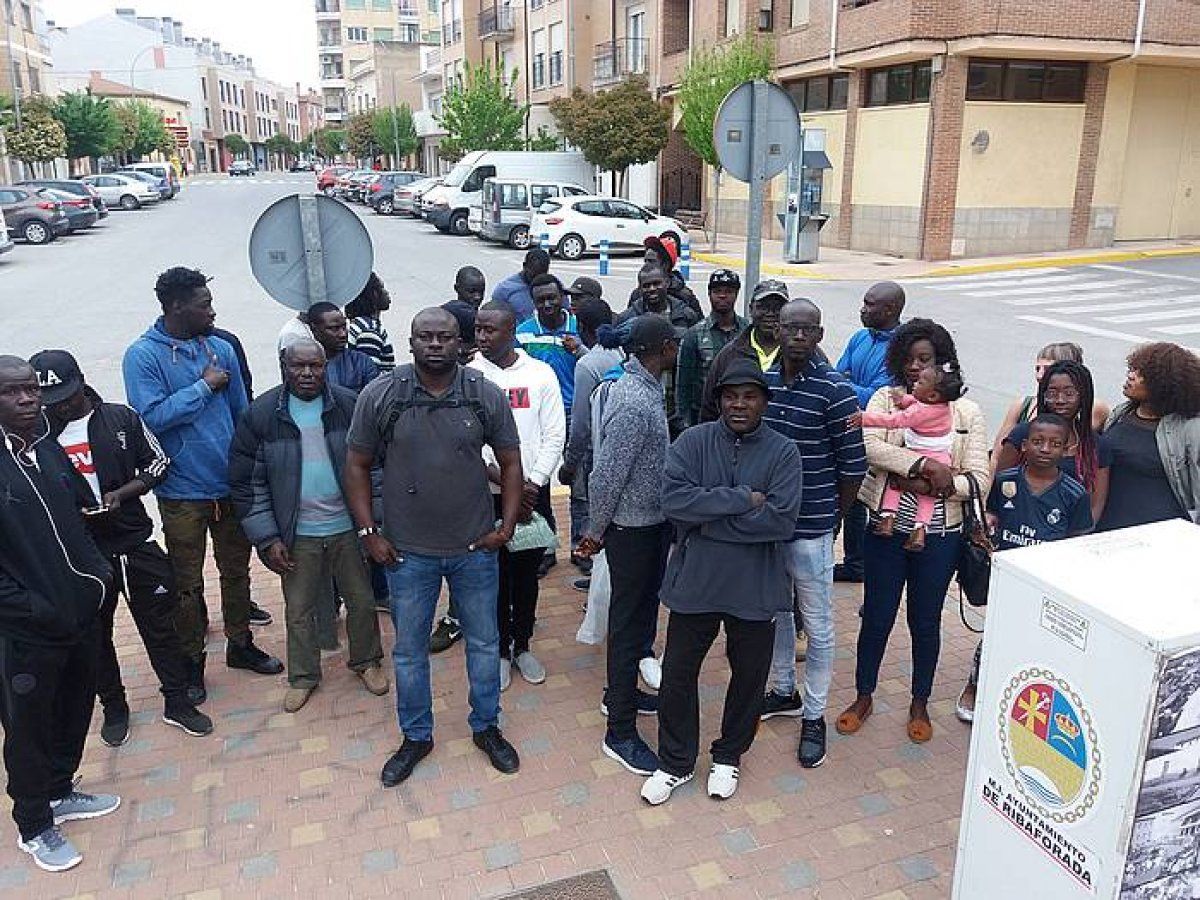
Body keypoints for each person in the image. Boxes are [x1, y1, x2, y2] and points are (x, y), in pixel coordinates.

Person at [344, 308, 524, 788]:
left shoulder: (483, 393)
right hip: (406, 553)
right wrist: (369, 533)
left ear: (461, 343)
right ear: (410, 341)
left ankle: (486, 728)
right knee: (408, 651)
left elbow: (510, 461)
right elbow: (357, 465)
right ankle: (416, 736)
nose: (435, 345)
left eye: (445, 336)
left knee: (485, 644)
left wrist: (505, 528)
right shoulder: (382, 395)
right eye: (425, 336)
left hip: (476, 548)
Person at [31, 350, 212, 747]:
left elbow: (159, 461)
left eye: (66, 394)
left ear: (81, 380)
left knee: (161, 626)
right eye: (51, 400)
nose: (60, 405)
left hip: (134, 542)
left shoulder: (120, 418)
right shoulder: (39, 436)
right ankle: (114, 706)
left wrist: (124, 493)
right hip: (83, 554)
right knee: (95, 635)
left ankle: (177, 701)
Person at [641, 362, 802, 805]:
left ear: (765, 401)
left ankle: (728, 755)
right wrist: (741, 500)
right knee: (677, 674)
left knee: (749, 677)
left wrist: (707, 521)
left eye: (750, 395)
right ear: (718, 399)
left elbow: (781, 520)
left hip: (755, 585)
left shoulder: (784, 451)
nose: (739, 404)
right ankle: (674, 763)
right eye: (731, 395)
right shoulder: (693, 442)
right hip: (696, 581)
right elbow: (673, 502)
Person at [123, 267, 283, 705]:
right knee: (187, 584)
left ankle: (240, 644)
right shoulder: (143, 356)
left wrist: (251, 470)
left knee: (237, 570)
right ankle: (192, 661)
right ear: (177, 307)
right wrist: (202, 386)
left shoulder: (220, 347)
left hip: (228, 486)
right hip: (181, 492)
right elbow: (150, 418)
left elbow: (241, 416)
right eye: (204, 304)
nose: (213, 311)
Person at [836, 319, 990, 745]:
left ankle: (919, 700)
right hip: (885, 531)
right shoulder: (889, 399)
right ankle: (863, 695)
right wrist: (921, 465)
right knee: (877, 616)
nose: (915, 368)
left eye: (924, 360)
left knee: (925, 621)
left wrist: (939, 483)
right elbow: (868, 444)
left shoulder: (966, 411)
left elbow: (979, 479)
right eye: (908, 360)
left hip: (941, 535)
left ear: (943, 364)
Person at [0, 356, 120, 873]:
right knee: (29, 729)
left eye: (31, 390)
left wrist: (97, 579)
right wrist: (33, 609)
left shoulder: (43, 448)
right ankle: (34, 824)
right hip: (27, 632)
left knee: (74, 711)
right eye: (12, 393)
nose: (28, 400)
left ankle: (59, 792)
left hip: (80, 614)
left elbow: (77, 518)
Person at [229, 338, 389, 713]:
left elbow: (376, 468)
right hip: (295, 533)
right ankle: (303, 676)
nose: (306, 374)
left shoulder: (350, 405)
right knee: (299, 610)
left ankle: (367, 662)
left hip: (348, 526)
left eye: (314, 366)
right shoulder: (262, 413)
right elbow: (247, 483)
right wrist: (267, 537)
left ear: (325, 366)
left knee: (362, 601)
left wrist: (374, 523)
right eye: (298, 366)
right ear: (284, 366)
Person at [759, 299, 867, 769]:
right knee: (778, 611)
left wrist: (833, 518)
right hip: (768, 527)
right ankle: (784, 689)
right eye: (790, 328)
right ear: (777, 331)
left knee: (818, 624)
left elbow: (853, 466)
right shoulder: (762, 383)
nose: (798, 336)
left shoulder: (836, 391)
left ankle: (815, 715)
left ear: (820, 335)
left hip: (813, 528)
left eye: (807, 329)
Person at [576, 314, 678, 777]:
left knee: (638, 622)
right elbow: (608, 474)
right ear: (660, 347)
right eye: (673, 342)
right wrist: (594, 532)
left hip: (652, 525)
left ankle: (624, 694)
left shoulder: (648, 389)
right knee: (627, 624)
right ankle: (619, 731)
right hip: (631, 531)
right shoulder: (635, 400)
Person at [471, 301, 566, 689]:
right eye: (478, 329)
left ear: (511, 331)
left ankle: (523, 644)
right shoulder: (470, 376)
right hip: (486, 495)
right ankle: (499, 650)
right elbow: (467, 439)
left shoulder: (540, 374)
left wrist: (533, 483)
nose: (481, 336)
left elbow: (554, 433)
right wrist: (500, 478)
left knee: (527, 575)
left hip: (531, 496)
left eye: (489, 330)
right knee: (493, 576)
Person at [834, 282, 906, 583]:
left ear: (889, 310)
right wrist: (851, 386)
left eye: (869, 303)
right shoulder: (859, 338)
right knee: (849, 500)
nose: (862, 308)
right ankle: (854, 561)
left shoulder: (901, 349)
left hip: (881, 437)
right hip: (851, 429)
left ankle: (867, 566)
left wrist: (847, 384)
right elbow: (837, 378)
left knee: (874, 501)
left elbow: (877, 397)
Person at [852, 363, 966, 552]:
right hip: (941, 457)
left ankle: (888, 517)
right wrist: (904, 399)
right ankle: (920, 529)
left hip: (918, 453)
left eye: (921, 382)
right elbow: (916, 401)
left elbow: (894, 421)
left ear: (932, 395)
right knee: (928, 497)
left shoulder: (920, 412)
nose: (915, 383)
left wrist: (863, 418)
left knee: (894, 482)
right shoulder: (941, 405)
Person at [1097, 342, 1200, 531]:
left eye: (1141, 374)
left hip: (1159, 534)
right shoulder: (1122, 412)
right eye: (1132, 369)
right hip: (1109, 528)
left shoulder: (1189, 428)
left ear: (1163, 383)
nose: (1131, 376)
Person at [992, 360, 1110, 524]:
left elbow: (1096, 504)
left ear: (1083, 396)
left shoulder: (1096, 445)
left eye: (1069, 394)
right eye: (1052, 393)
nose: (1060, 400)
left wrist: (1080, 536)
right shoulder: (1021, 434)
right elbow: (1001, 486)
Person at [560, 297, 623, 575]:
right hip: (620, 448)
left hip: (594, 454)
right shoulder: (624, 353)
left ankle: (585, 557)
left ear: (583, 327)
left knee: (584, 505)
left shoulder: (587, 365)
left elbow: (581, 426)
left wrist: (569, 465)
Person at [987, 414, 1094, 551]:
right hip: (1006, 565)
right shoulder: (1004, 480)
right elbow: (992, 514)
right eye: (1037, 442)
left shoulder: (1075, 494)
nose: (1045, 449)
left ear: (1065, 451)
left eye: (1055, 444)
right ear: (1025, 445)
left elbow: (1078, 540)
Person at [990, 342, 1109, 459]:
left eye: (1047, 368)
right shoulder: (1023, 407)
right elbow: (998, 454)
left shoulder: (1095, 409)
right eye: (1037, 368)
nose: (1039, 375)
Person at [699, 280, 788, 422]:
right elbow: (710, 408)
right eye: (763, 307)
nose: (770, 313)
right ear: (751, 309)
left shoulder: (801, 355)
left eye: (778, 308)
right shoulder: (729, 354)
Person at [675, 269, 747, 430]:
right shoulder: (694, 335)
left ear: (736, 294)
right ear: (709, 294)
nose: (722, 296)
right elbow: (683, 384)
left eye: (728, 291)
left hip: (742, 416)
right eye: (717, 291)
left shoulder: (748, 331)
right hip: (704, 419)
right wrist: (685, 423)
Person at [516, 274, 581, 416]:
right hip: (537, 410)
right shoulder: (522, 333)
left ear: (562, 297)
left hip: (572, 411)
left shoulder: (579, 327)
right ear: (532, 302)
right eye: (540, 300)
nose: (547, 305)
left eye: (551, 298)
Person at [306, 301, 380, 394]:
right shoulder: (304, 366)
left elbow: (374, 399)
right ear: (314, 329)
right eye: (334, 328)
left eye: (344, 327)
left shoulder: (361, 362)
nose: (343, 334)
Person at [630, 235, 702, 319]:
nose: (646, 265)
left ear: (666, 264)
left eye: (651, 261)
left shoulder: (685, 295)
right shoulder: (637, 294)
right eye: (645, 261)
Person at [616, 264, 702, 333]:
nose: (652, 289)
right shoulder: (627, 318)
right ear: (640, 289)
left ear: (667, 283)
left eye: (656, 284)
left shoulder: (687, 315)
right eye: (646, 286)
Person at [345, 272, 395, 372]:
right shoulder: (369, 329)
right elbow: (370, 376)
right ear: (374, 294)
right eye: (382, 288)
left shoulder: (359, 325)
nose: (387, 293)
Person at [492, 248, 550, 322]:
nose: (536, 280)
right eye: (533, 276)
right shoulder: (504, 289)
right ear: (524, 266)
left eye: (541, 276)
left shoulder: (553, 287)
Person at [444, 266, 487, 365]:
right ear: (457, 288)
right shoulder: (464, 313)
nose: (477, 297)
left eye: (481, 292)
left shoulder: (448, 308)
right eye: (471, 292)